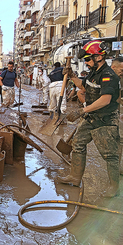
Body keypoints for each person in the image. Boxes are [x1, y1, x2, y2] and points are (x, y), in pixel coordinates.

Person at [60, 40, 120, 197]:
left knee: (110, 155)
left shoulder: (108, 75)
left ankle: (114, 187)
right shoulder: (94, 73)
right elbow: (83, 86)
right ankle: (75, 177)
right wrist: (72, 75)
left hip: (106, 120)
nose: (86, 62)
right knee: (78, 143)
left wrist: (82, 110)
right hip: (91, 117)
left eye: (87, 59)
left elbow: (106, 99)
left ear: (99, 57)